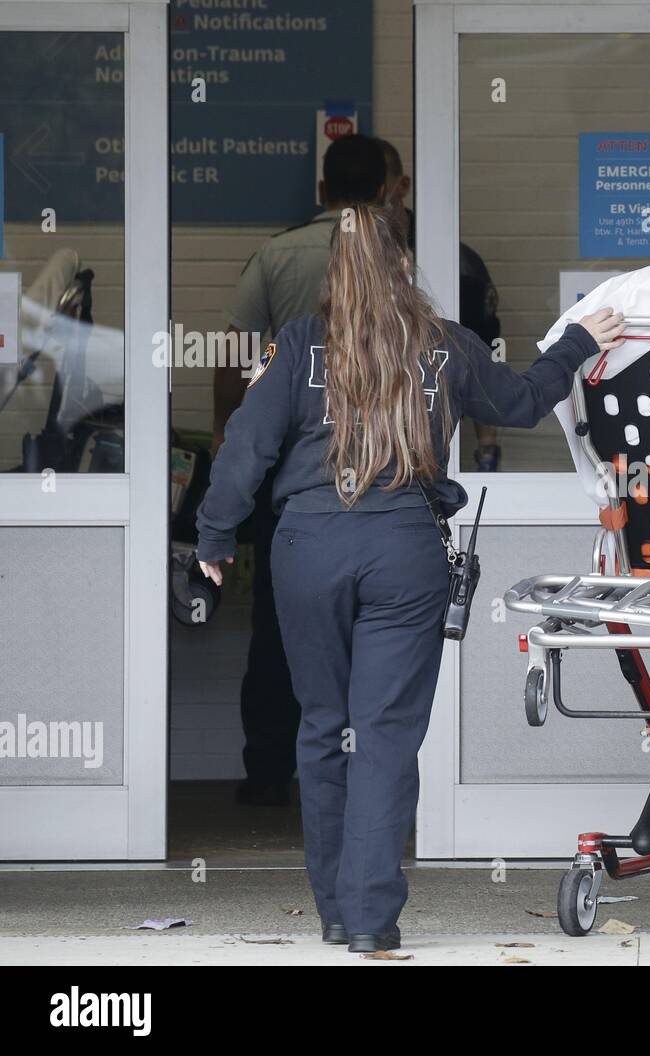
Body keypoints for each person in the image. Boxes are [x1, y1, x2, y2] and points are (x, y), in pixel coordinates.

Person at [196, 204, 625, 951]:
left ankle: (335, 910)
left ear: (333, 272)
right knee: (387, 738)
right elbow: (522, 402)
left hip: (309, 548)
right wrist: (580, 343)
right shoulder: (443, 345)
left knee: (323, 730)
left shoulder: (299, 346)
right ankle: (371, 921)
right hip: (404, 547)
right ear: (403, 266)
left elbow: (246, 447)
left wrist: (213, 534)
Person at [214, 133, 389, 808]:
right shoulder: (396, 259)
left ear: (322, 191)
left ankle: (266, 775)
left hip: (290, 480)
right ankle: (364, 777)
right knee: (376, 629)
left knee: (279, 630)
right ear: (384, 190)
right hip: (382, 471)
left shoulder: (277, 254)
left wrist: (236, 443)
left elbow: (235, 361)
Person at [375, 138, 506, 471]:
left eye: (376, 186)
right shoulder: (338, 258)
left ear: (401, 186)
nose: (368, 202)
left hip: (430, 461)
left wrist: (487, 456)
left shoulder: (458, 265)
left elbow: (483, 360)